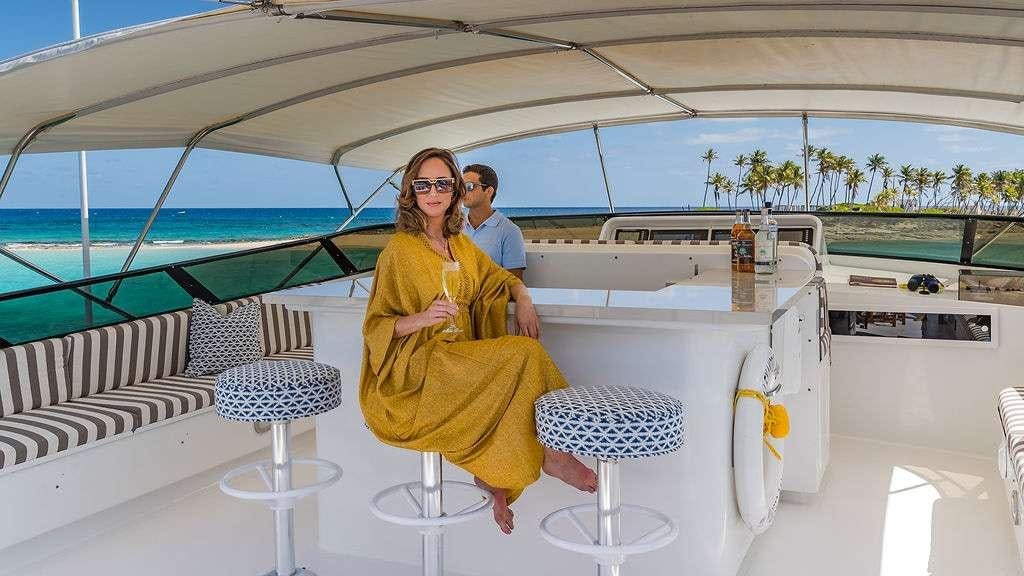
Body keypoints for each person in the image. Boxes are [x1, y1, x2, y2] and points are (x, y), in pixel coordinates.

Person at [360, 148, 597, 535]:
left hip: (457, 353)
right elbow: (375, 326)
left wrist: (522, 299)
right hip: (418, 365)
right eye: (423, 184)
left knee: (515, 378)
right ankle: (552, 453)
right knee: (522, 353)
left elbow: (501, 279)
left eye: (442, 183)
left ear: (454, 190)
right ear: (411, 192)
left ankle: (496, 478)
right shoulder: (400, 250)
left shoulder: (460, 244)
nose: (433, 192)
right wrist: (422, 318)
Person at [462, 164, 527, 279]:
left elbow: (514, 282)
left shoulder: (509, 231)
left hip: (490, 296)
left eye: (469, 186)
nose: (462, 191)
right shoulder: (454, 227)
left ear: (488, 191)